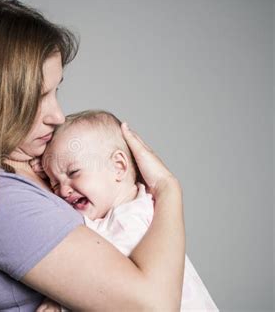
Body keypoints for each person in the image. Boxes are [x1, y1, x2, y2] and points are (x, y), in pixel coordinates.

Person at [0, 0, 185, 311]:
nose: (58, 116)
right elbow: (154, 307)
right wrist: (168, 189)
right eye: (36, 98)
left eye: (56, 90)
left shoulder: (45, 161)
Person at [36, 110, 218, 311]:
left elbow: (102, 281)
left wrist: (58, 299)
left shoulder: (129, 219)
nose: (63, 190)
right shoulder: (137, 205)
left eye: (73, 172)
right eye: (53, 183)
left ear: (119, 166)